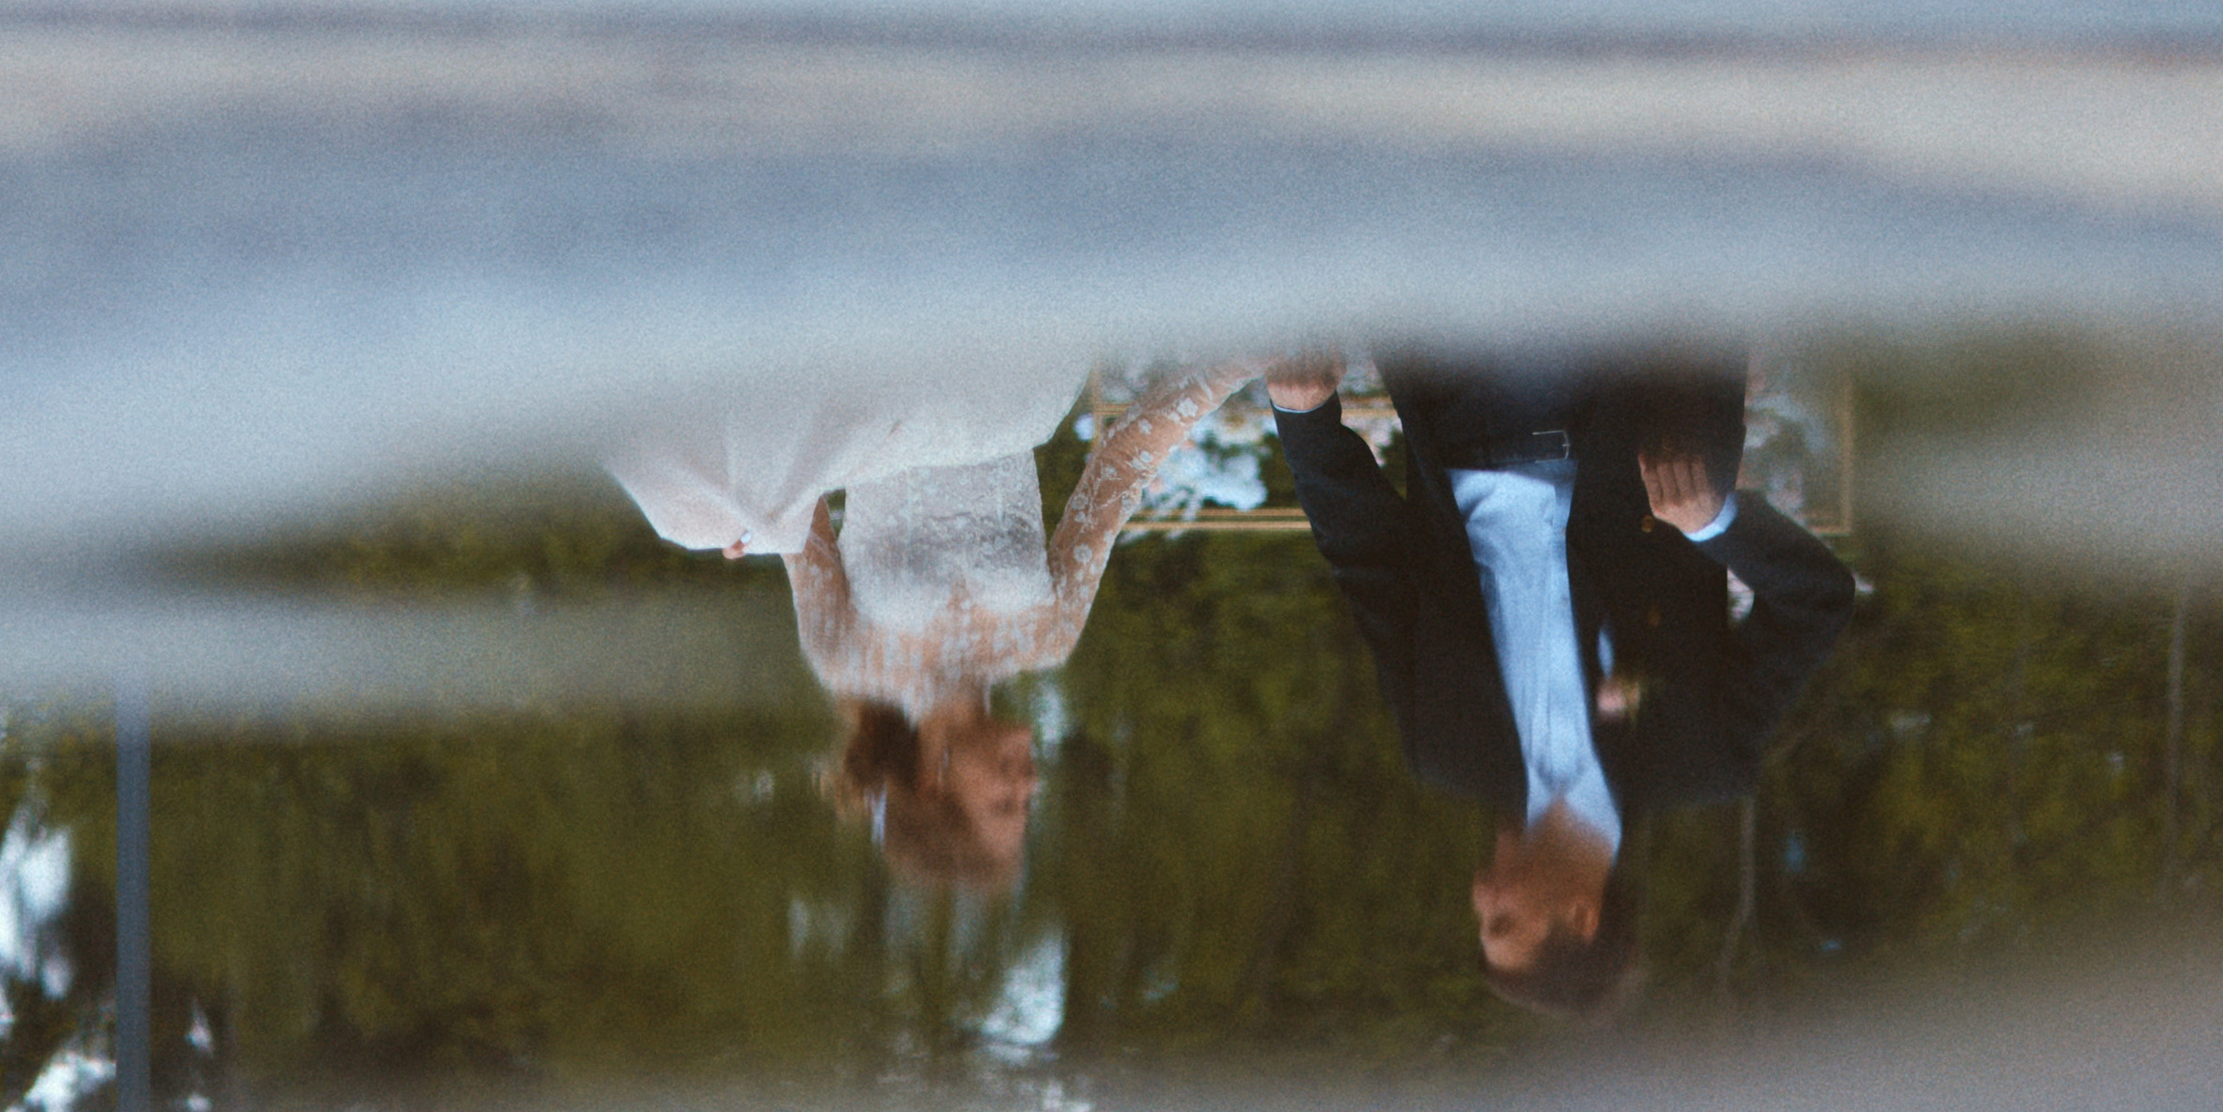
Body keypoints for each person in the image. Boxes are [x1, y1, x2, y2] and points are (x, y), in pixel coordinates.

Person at [1267, 358, 1855, 1017]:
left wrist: (1305, 420)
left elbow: (1368, 562)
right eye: (1503, 921)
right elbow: (1817, 601)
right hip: (1641, 386)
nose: (1480, 895)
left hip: (1458, 404)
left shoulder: (1444, 748)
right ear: (1581, 914)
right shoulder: (1703, 754)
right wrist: (1713, 524)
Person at [612, 355, 1250, 895]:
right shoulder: (1049, 637)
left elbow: (796, 502)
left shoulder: (845, 660)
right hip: (1012, 375)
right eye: (1026, 806)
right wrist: (1250, 355)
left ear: (931, 784)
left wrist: (746, 514)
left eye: (1004, 804)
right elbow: (1126, 458)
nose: (1028, 784)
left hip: (891, 376)